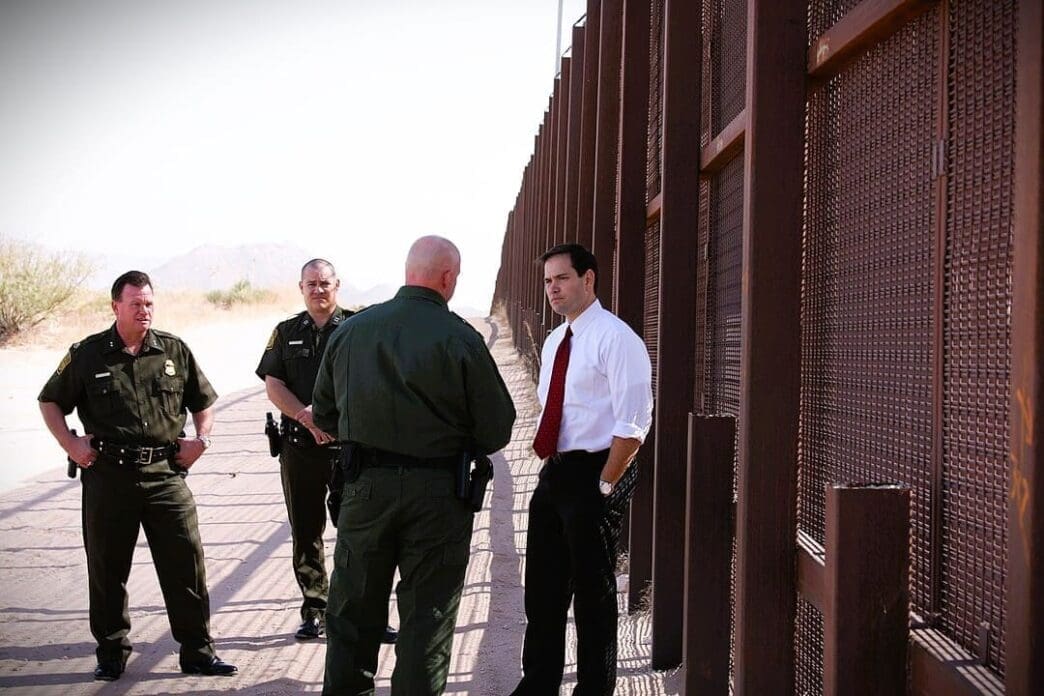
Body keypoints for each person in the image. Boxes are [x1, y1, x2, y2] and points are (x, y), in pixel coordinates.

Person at [313, 235, 516, 695]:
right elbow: (496, 429)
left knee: (352, 615)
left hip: (363, 489)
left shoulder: (350, 331)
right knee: (428, 619)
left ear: (408, 273)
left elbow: (324, 414)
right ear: (447, 278)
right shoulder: (461, 337)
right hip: (438, 495)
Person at [37, 271, 237, 681]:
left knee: (186, 564)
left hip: (166, 474)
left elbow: (203, 402)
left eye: (148, 303)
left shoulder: (174, 350)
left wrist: (202, 440)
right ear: (116, 307)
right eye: (135, 304)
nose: (144, 311)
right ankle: (111, 652)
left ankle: (198, 651)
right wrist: (70, 444)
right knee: (108, 568)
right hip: (109, 476)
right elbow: (50, 400)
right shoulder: (88, 354)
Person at [510, 243, 653, 696]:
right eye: (548, 280)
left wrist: (606, 484)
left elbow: (634, 424)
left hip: (596, 472)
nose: (553, 288)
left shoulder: (617, 339)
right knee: (543, 592)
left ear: (588, 279)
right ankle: (539, 685)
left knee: (594, 598)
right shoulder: (556, 340)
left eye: (562, 278)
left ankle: (594, 690)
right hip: (556, 472)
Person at [255, 258, 397, 644]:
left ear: (338, 285)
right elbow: (273, 384)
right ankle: (315, 609)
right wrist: (306, 418)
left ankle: (369, 612)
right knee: (306, 530)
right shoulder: (286, 332)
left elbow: (375, 383)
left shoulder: (359, 329)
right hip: (300, 447)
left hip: (351, 448)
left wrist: (331, 419)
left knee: (364, 533)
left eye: (325, 283)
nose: (319, 290)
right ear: (301, 288)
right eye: (311, 284)